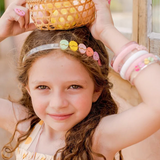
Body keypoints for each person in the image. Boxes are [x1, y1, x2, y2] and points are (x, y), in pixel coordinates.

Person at [1, 0, 160, 160]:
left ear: (96, 90)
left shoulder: (99, 138)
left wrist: (107, 31)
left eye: (74, 86)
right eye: (43, 87)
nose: (57, 103)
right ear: (28, 89)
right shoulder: (24, 126)